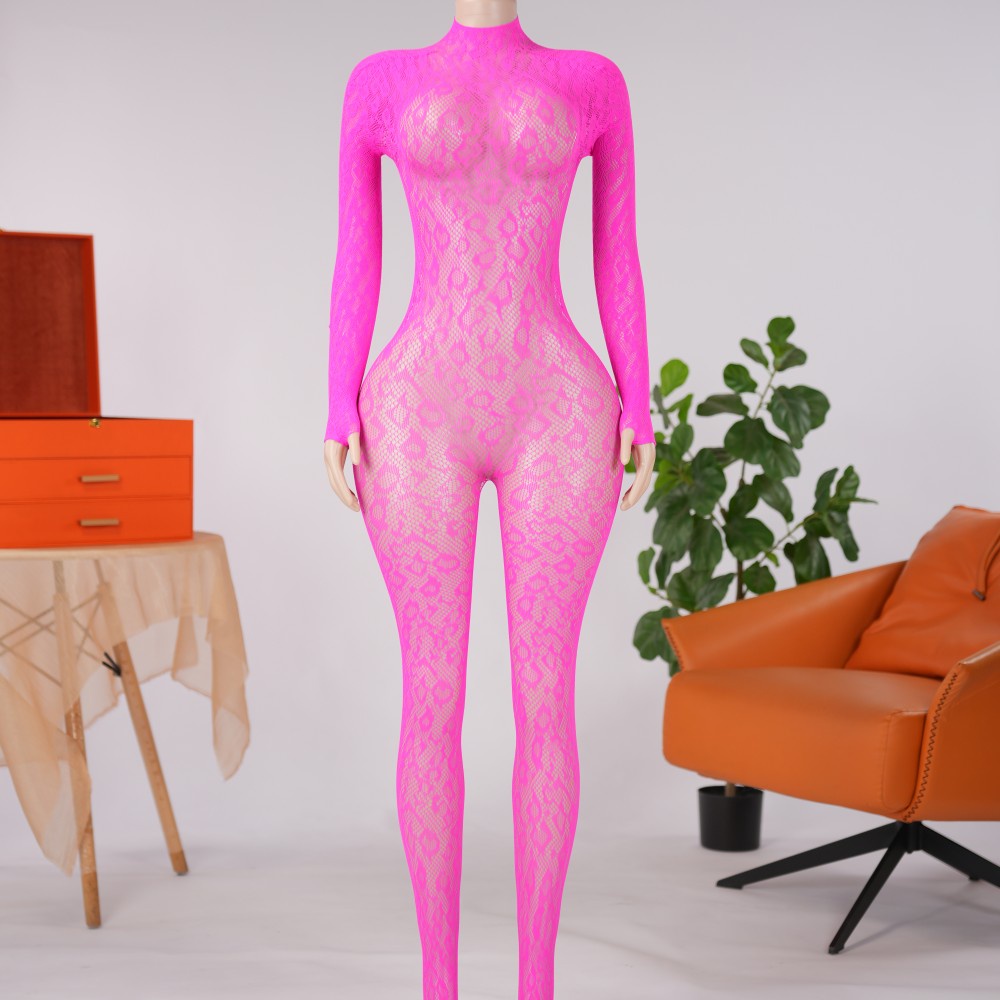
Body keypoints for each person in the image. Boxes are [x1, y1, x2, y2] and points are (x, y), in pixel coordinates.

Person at [322, 2, 655, 996]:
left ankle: (536, 984)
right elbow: (357, 252)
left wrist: (640, 403)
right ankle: (439, 983)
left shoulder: (593, 81)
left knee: (545, 698)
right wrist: (337, 401)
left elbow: (617, 250)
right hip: (415, 405)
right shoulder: (378, 81)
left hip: (559, 401)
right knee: (431, 695)